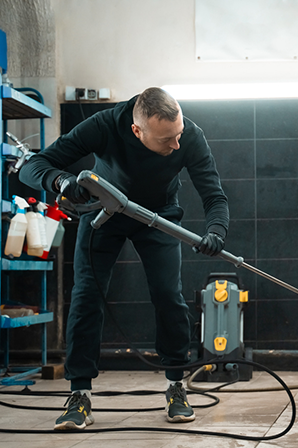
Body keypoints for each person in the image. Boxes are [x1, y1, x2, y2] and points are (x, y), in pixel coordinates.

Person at [19, 87, 229, 430]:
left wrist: (217, 231)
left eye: (178, 135)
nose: (176, 145)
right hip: (104, 214)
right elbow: (31, 167)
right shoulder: (104, 124)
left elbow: (213, 195)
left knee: (167, 296)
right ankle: (79, 394)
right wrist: (62, 181)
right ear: (137, 131)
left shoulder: (188, 135)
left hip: (158, 216)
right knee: (86, 296)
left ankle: (176, 384)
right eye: (166, 140)